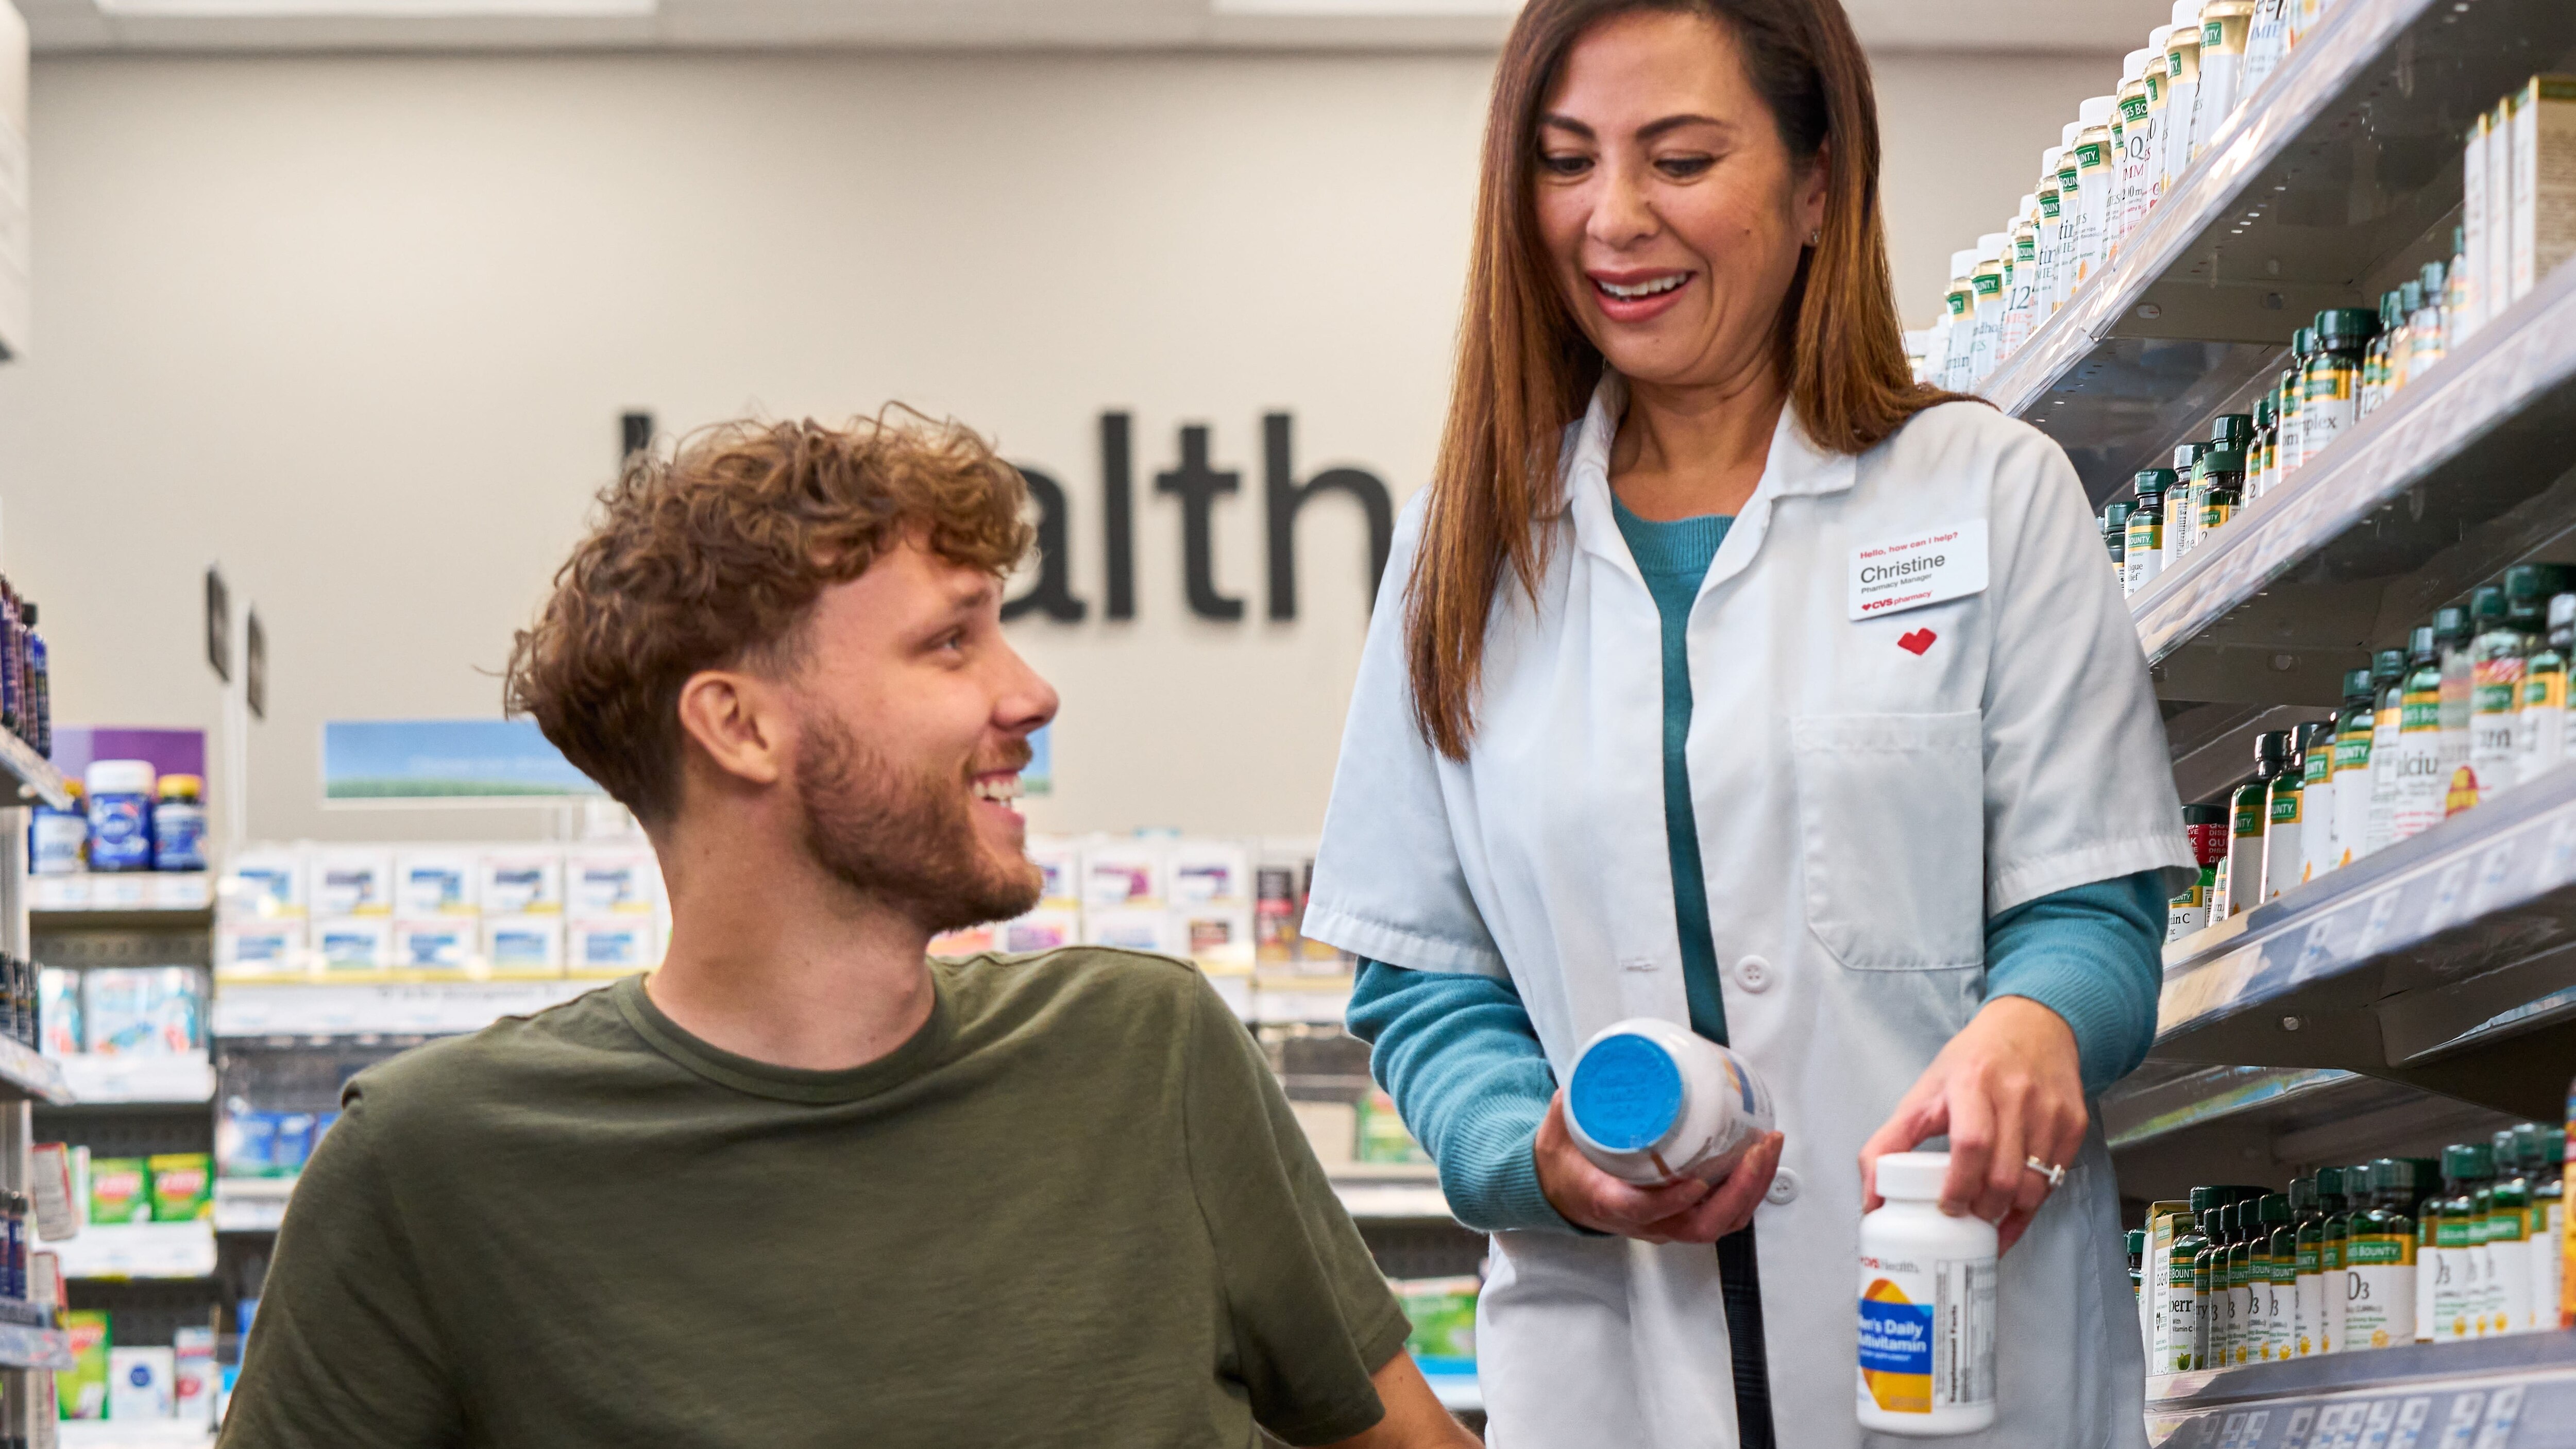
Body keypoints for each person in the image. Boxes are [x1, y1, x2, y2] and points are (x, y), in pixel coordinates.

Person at [218, 414, 1478, 1449]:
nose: (1030, 693)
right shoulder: (433, 1163)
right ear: (740, 725)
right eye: (950, 642)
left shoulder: (1149, 1052)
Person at [1303, 3, 2189, 1447]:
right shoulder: (1464, 550)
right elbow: (1426, 985)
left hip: (1957, 1336)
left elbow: (2091, 905)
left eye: (1682, 158)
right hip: (1613, 1370)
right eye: (1567, 160)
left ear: (1820, 183)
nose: (1614, 219)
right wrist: (1530, 1153)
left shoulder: (1985, 492)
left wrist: (2035, 1024)